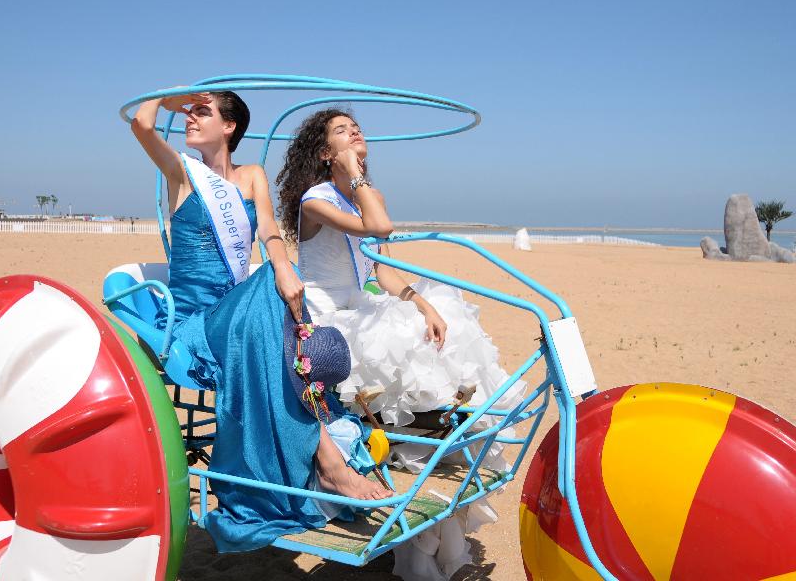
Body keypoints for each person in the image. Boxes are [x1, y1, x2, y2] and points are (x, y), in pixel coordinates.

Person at [130, 91, 390, 553]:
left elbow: (269, 228)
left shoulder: (251, 176)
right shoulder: (181, 173)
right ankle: (329, 463)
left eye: (202, 113)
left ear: (229, 126)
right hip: (198, 324)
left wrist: (284, 267)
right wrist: (173, 100)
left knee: (276, 293)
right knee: (273, 304)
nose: (191, 120)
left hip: (243, 313)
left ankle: (320, 459)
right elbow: (142, 124)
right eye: (190, 113)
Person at [275, 108, 526, 436]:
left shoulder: (369, 197)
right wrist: (354, 171)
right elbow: (379, 227)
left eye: (356, 126)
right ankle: (409, 424)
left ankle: (451, 415)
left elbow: (384, 272)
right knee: (386, 338)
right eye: (341, 131)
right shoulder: (315, 201)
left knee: (439, 314)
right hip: (325, 310)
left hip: (360, 301)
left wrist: (426, 307)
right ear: (325, 153)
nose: (354, 132)